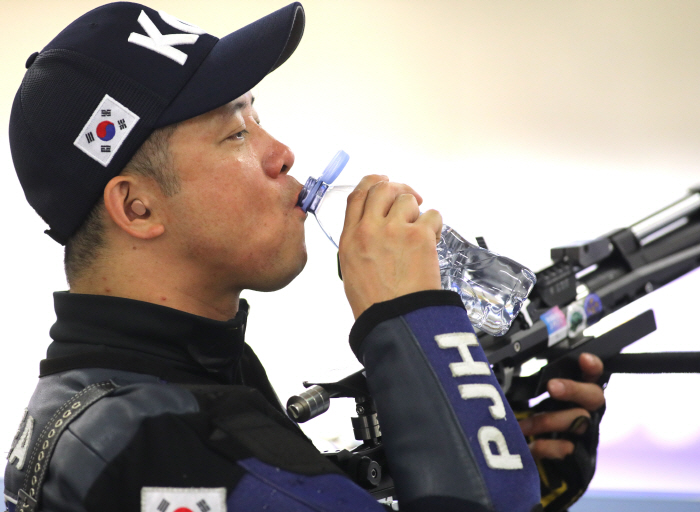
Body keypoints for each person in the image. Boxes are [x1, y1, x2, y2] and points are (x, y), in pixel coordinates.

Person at [3, 3, 604, 512]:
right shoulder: (156, 441)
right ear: (137, 209)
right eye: (235, 134)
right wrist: (411, 317)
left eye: (258, 119)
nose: (284, 153)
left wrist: (477, 441)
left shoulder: (166, 387)